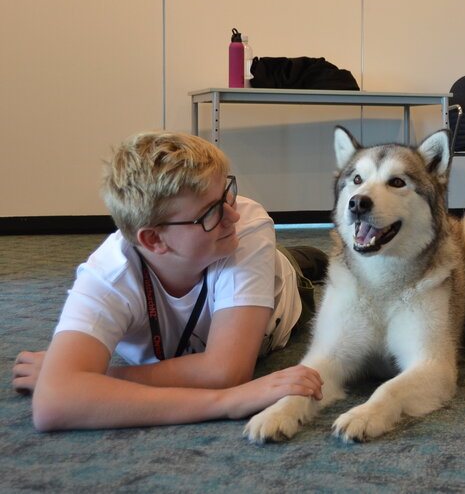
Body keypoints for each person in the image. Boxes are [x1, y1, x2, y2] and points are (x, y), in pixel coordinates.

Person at [12, 131, 329, 431]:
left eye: (227, 195)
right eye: (211, 213)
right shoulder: (108, 274)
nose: (232, 214)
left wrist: (99, 378)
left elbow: (225, 372)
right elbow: (54, 403)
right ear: (153, 240)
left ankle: (303, 258)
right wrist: (228, 402)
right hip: (228, 278)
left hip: (288, 290)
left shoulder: (245, 226)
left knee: (305, 263)